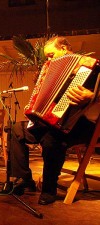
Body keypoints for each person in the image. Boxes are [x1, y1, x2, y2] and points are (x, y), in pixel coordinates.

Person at [9, 36, 100, 205]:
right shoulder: (52, 69)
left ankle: (49, 189)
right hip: (55, 122)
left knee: (52, 138)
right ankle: (25, 180)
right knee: (17, 129)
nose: (49, 60)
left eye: (51, 55)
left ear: (64, 48)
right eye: (47, 57)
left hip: (86, 125)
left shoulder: (91, 66)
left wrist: (93, 96)